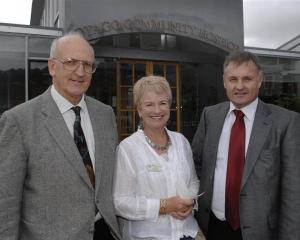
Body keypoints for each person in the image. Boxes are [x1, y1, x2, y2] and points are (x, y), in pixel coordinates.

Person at [0, 32, 121, 240]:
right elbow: (6, 202)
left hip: (105, 232)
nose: (80, 72)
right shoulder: (19, 121)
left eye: (87, 65)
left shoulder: (105, 114)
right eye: (71, 62)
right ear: (52, 66)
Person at [192, 50, 300, 240]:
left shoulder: (286, 122)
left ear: (259, 81)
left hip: (261, 231)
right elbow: (197, 165)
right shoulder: (210, 115)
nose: (239, 86)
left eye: (247, 79)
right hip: (212, 226)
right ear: (224, 82)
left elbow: (293, 190)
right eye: (233, 79)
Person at [113, 76, 205, 240]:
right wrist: (163, 206)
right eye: (149, 104)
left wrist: (189, 203)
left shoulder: (181, 141)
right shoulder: (128, 148)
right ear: (139, 110)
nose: (157, 110)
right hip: (148, 236)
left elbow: (193, 182)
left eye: (162, 103)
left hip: (188, 232)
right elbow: (121, 202)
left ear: (169, 106)